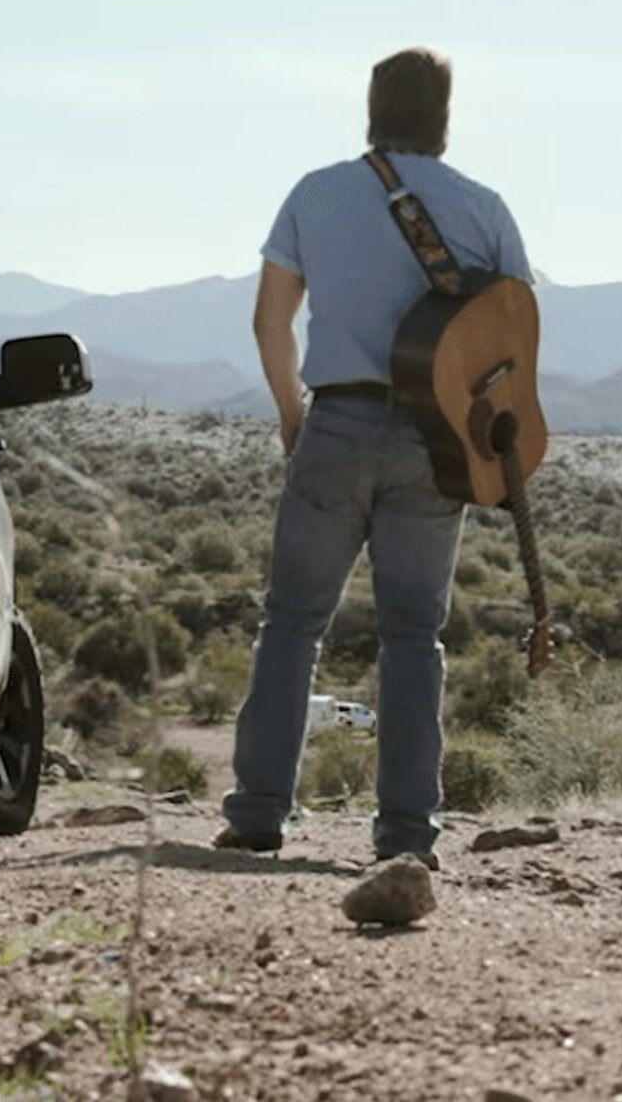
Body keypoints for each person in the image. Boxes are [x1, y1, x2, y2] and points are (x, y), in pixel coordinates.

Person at [215, 47, 534, 869]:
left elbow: (269, 322)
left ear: (372, 107)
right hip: (436, 442)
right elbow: (512, 339)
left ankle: (257, 812)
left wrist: (292, 415)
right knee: (412, 633)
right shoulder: (484, 208)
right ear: (445, 115)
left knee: (291, 621)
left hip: (338, 421)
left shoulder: (315, 193)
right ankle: (404, 834)